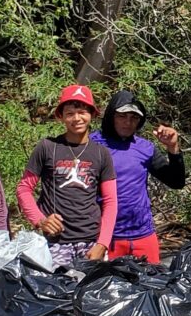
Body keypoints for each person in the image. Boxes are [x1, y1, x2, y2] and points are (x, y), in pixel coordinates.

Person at [18, 85, 117, 268]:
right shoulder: (47, 147)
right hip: (56, 242)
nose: (76, 118)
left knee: (90, 294)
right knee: (57, 293)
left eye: (82, 112)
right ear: (60, 116)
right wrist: (40, 220)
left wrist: (102, 243)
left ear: (92, 115)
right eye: (70, 113)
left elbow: (110, 201)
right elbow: (24, 189)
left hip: (91, 242)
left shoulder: (101, 153)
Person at [93, 90, 186, 263]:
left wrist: (173, 149)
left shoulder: (145, 148)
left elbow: (176, 181)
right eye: (122, 116)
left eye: (134, 118)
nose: (128, 123)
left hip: (143, 236)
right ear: (111, 115)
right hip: (107, 239)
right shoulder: (92, 145)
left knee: (153, 287)